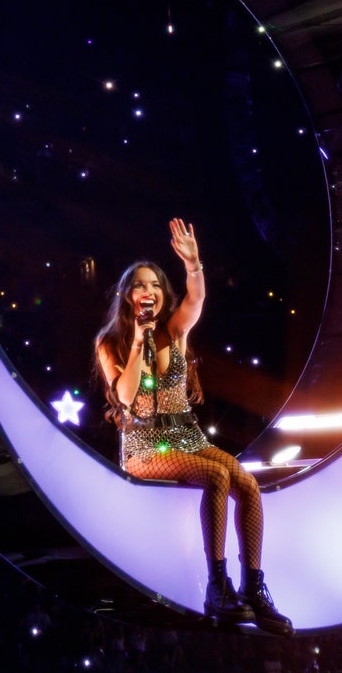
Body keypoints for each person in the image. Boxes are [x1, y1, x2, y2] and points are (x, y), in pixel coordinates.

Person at [92, 218, 292, 635]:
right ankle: (217, 586)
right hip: (146, 445)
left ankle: (254, 589)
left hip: (187, 436)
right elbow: (127, 396)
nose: (148, 291)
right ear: (128, 296)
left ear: (164, 294)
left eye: (155, 285)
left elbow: (197, 298)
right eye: (140, 285)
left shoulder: (175, 329)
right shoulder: (111, 341)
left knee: (248, 485)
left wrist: (194, 263)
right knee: (216, 475)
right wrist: (138, 340)